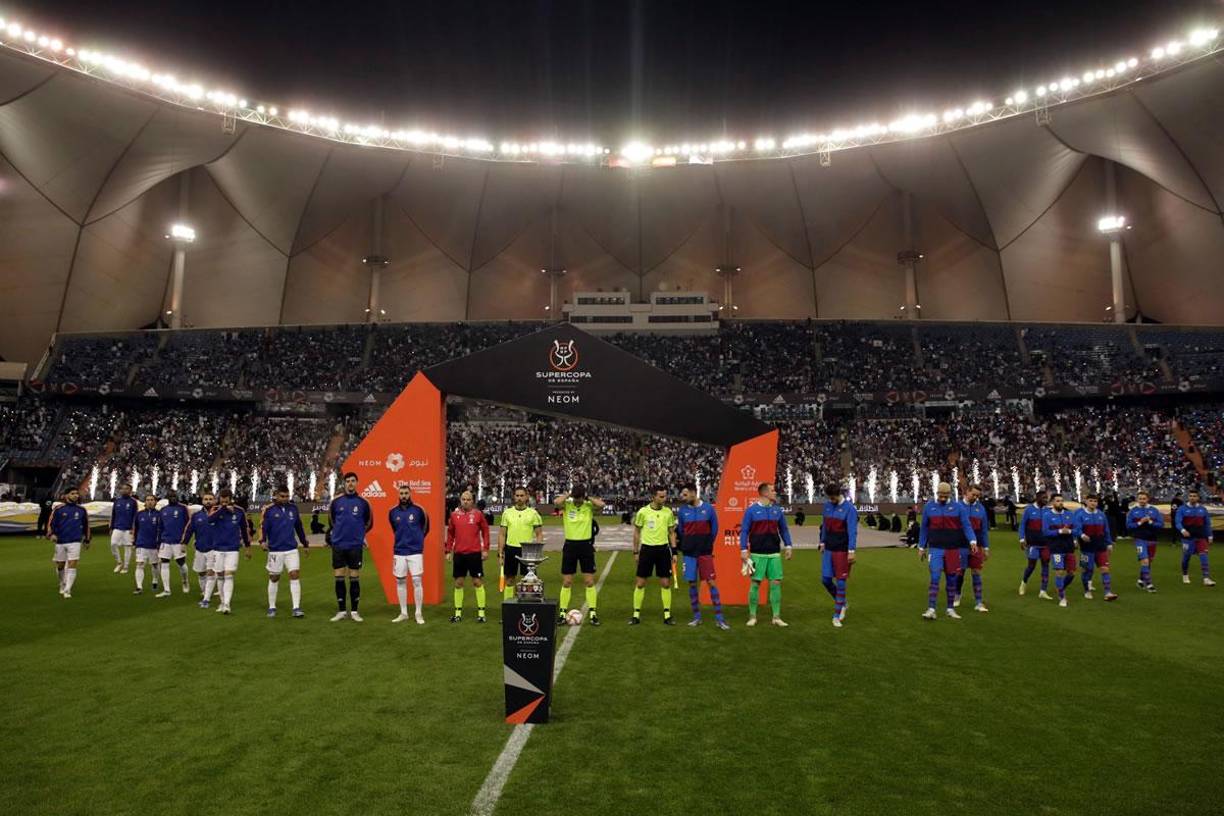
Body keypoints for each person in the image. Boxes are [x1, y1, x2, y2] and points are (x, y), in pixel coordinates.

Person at [918, 482, 976, 621]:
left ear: (950, 494)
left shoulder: (958, 508)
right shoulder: (929, 507)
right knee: (935, 577)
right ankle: (931, 609)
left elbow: (966, 525)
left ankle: (950, 609)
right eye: (940, 496)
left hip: (952, 549)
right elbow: (924, 528)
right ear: (936, 494)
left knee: (952, 579)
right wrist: (921, 546)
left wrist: (972, 541)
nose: (942, 499)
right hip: (936, 548)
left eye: (945, 496)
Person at [739, 482, 793, 627]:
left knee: (776, 583)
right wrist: (743, 549)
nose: (775, 492)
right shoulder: (751, 511)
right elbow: (744, 531)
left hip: (774, 553)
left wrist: (788, 546)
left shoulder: (777, 510)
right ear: (764, 493)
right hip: (757, 553)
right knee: (755, 583)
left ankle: (776, 617)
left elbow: (784, 530)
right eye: (772, 490)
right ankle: (752, 616)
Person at [676, 482, 726, 629]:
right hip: (689, 554)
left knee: (711, 582)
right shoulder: (682, 511)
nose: (683, 497)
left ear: (693, 493)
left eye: (685, 494)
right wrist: (687, 544)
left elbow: (715, 530)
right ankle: (697, 617)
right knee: (692, 583)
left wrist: (706, 544)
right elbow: (681, 531)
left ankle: (720, 618)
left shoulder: (709, 509)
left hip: (705, 553)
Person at [553, 486, 605, 625]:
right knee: (567, 582)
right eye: (575, 499)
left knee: (589, 581)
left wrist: (588, 498)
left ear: (583, 497)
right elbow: (556, 503)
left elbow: (602, 505)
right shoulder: (567, 505)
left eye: (579, 499)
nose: (576, 502)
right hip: (570, 546)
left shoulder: (588, 506)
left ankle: (593, 613)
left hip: (586, 547)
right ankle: (562, 613)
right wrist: (569, 494)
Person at [630, 485, 678, 625]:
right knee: (640, 583)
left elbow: (671, 532)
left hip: (663, 550)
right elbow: (637, 532)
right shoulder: (643, 512)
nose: (664, 498)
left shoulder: (668, 512)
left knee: (665, 583)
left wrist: (674, 552)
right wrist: (635, 551)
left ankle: (667, 615)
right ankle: (636, 614)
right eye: (661, 496)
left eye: (665, 496)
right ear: (653, 497)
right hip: (647, 550)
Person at [327, 472, 372, 622]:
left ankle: (354, 611)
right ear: (344, 483)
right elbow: (332, 521)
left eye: (353, 481)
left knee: (354, 577)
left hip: (355, 545)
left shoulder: (363, 503)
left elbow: (369, 522)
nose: (350, 483)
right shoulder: (336, 502)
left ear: (357, 483)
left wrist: (359, 535)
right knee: (339, 576)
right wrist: (338, 535)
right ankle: (341, 611)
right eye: (348, 481)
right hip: (339, 544)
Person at [260, 485, 309, 618]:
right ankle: (272, 606)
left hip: (291, 549)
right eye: (282, 496)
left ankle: (296, 607)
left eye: (287, 496)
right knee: (274, 577)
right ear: (276, 495)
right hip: (275, 550)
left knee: (294, 574)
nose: (285, 498)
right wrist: (262, 541)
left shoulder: (293, 508)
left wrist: (305, 543)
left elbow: (299, 527)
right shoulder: (268, 510)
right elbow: (263, 527)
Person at [446, 489, 490, 623]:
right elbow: (450, 534)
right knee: (458, 583)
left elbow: (485, 531)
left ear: (473, 501)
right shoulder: (454, 515)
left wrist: (485, 549)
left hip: (474, 554)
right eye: (463, 499)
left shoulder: (478, 514)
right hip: (459, 554)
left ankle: (481, 614)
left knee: (477, 582)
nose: (466, 501)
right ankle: (457, 613)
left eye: (468, 499)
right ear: (460, 500)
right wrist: (448, 551)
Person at [389, 484, 430, 623]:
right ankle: (404, 613)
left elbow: (426, 527)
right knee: (400, 580)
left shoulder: (419, 510)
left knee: (417, 580)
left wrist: (416, 539)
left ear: (410, 493)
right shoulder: (393, 512)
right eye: (401, 493)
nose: (404, 496)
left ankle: (418, 613)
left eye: (406, 493)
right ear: (398, 494)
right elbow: (395, 529)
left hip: (415, 551)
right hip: (399, 551)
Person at [818, 483, 856, 628]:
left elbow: (852, 531)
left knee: (841, 582)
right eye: (829, 498)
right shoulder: (827, 506)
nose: (831, 500)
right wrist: (822, 542)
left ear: (839, 494)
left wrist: (851, 551)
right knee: (825, 580)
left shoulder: (850, 509)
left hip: (842, 549)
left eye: (832, 498)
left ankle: (837, 615)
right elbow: (824, 525)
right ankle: (842, 602)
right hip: (829, 548)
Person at [208, 488, 252, 614]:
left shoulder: (239, 511)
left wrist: (247, 547)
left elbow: (244, 530)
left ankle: (227, 604)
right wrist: (223, 509)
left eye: (226, 501)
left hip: (233, 548)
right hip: (217, 548)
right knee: (220, 575)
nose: (224, 503)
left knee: (229, 575)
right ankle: (222, 602)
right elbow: (209, 520)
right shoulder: (215, 509)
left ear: (230, 499)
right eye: (222, 501)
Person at [499, 487, 544, 605]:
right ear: (514, 497)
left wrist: (537, 552)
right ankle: (508, 608)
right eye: (517, 495)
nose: (519, 498)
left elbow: (539, 534)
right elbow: (502, 534)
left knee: (529, 581)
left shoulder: (533, 513)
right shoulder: (507, 513)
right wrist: (500, 553)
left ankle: (527, 607)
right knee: (509, 580)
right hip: (510, 549)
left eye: (522, 495)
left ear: (527, 497)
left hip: (527, 550)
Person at [1073, 493, 1117, 601]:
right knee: (1088, 570)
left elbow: (1106, 530)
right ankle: (1087, 590)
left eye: (1095, 501)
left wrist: (1109, 543)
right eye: (1091, 501)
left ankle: (1108, 592)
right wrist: (1081, 535)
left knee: (1104, 568)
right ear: (1086, 502)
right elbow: (1076, 528)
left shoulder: (1101, 515)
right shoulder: (1080, 515)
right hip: (1087, 547)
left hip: (1100, 545)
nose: (1093, 503)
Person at [48, 487, 90, 598]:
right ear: (66, 495)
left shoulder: (82, 510)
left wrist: (87, 539)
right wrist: (51, 534)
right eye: (72, 493)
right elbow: (51, 523)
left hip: (75, 541)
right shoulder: (58, 509)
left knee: (72, 564)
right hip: (61, 540)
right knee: (60, 565)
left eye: (77, 493)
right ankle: (62, 583)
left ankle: (67, 590)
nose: (76, 495)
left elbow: (86, 526)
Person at [957, 483, 990, 613]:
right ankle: (957, 594)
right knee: (960, 572)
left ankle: (978, 602)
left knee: (976, 572)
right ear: (967, 492)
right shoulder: (957, 507)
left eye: (977, 495)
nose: (975, 497)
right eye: (973, 494)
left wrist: (986, 547)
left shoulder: (981, 509)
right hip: (960, 545)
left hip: (976, 546)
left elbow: (984, 530)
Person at [1174, 488, 1215, 587]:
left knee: (1204, 556)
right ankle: (1185, 575)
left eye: (1194, 496)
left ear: (1198, 498)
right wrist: (1183, 530)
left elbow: (1207, 524)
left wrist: (1210, 535)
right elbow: (1178, 522)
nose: (1192, 498)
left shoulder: (1203, 509)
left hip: (1201, 537)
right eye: (1191, 496)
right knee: (1186, 558)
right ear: (1188, 497)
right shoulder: (1182, 509)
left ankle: (1206, 578)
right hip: (1188, 538)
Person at [1042, 493, 1077, 608]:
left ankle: (1060, 588)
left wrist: (1070, 532)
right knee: (1059, 571)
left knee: (1071, 573)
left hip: (1069, 547)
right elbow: (1045, 532)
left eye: (1061, 501)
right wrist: (1059, 532)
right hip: (1056, 548)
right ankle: (1062, 597)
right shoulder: (1047, 516)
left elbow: (1077, 529)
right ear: (1052, 503)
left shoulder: (1069, 514)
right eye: (1057, 501)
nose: (1060, 503)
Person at [183, 492, 217, 607]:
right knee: (201, 572)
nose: (208, 501)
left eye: (210, 499)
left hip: (214, 548)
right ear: (202, 501)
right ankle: (205, 591)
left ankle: (206, 598)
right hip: (200, 548)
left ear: (214, 500)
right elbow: (189, 530)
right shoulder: (196, 515)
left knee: (211, 572)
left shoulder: (219, 514)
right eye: (206, 499)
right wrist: (184, 543)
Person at [155, 489, 191, 598]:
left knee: (181, 563)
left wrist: (185, 540)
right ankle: (167, 590)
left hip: (178, 541)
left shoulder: (183, 508)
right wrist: (158, 542)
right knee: (164, 563)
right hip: (165, 541)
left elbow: (188, 525)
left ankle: (185, 581)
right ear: (167, 497)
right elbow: (160, 527)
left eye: (175, 495)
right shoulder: (163, 510)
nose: (173, 497)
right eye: (171, 496)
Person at [1126, 490, 1163, 592]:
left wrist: (1150, 522)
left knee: (1148, 562)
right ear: (1137, 499)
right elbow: (1129, 526)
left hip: (1152, 539)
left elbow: (1160, 525)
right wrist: (1139, 522)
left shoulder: (1154, 510)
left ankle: (1141, 580)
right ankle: (1149, 584)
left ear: (1148, 499)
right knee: (1145, 560)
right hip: (1139, 539)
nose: (1142, 500)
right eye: (1140, 499)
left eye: (1144, 498)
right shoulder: (1133, 511)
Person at [1018, 491, 1051, 597]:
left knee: (1045, 564)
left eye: (1047, 498)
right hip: (1033, 544)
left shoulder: (1048, 510)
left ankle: (1043, 590)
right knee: (1031, 565)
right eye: (1044, 498)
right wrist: (1022, 539)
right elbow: (1022, 525)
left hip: (1046, 544)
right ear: (1037, 498)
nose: (1046, 500)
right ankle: (1024, 583)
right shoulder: (1029, 510)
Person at [132, 494, 161, 594]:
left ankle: (155, 581)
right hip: (141, 543)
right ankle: (139, 587)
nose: (149, 502)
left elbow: (162, 529)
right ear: (145, 502)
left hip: (154, 544)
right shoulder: (139, 514)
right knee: (140, 564)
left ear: (155, 502)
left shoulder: (159, 515)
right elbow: (135, 528)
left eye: (152, 500)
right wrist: (134, 541)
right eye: (148, 500)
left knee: (155, 565)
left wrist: (160, 542)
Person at [108, 483, 137, 574]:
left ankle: (126, 566)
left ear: (130, 491)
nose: (124, 490)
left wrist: (134, 528)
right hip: (117, 527)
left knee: (127, 547)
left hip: (128, 528)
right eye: (123, 489)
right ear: (120, 490)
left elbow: (135, 516)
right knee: (113, 544)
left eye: (127, 489)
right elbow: (113, 515)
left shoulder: (133, 502)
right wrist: (111, 527)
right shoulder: (117, 501)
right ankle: (119, 562)